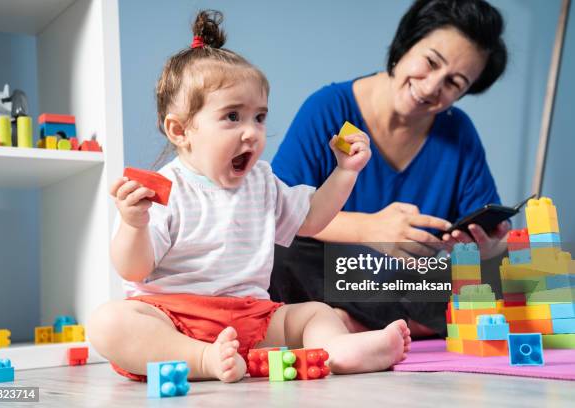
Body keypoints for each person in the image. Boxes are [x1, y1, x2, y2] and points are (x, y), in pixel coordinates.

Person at [88, 10, 411, 384]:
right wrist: (133, 223)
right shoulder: (165, 190)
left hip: (252, 317)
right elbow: (133, 270)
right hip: (174, 319)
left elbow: (311, 219)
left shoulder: (261, 180)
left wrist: (344, 173)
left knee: (314, 313)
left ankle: (336, 350)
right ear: (180, 130)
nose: (252, 133)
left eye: (259, 118)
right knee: (109, 323)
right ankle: (204, 359)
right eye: (232, 117)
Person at [270, 0, 510, 336]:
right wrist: (369, 230)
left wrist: (488, 248)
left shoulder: (460, 134)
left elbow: (486, 241)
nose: (430, 88)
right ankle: (394, 323)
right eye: (430, 62)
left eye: (454, 83)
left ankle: (343, 323)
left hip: (406, 279)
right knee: (281, 254)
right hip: (329, 270)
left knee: (499, 276)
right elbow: (275, 213)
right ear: (407, 42)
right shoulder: (328, 109)